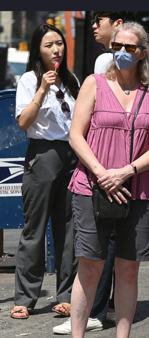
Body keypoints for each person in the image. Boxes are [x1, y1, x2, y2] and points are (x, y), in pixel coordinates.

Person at [65, 21, 149, 338]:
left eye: (129, 47)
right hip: (91, 186)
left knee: (128, 269)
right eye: (116, 46)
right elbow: (75, 135)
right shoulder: (94, 84)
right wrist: (103, 173)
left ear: (142, 53)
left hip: (137, 189)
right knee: (90, 265)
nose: (121, 52)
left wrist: (125, 171)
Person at [53, 10, 138, 336]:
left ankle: (95, 310)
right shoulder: (97, 73)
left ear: (118, 25)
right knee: (97, 251)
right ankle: (94, 309)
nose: (93, 26)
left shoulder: (115, 69)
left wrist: (118, 170)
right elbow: (80, 130)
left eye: (98, 21)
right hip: (99, 173)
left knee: (107, 251)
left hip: (114, 174)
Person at [10, 24, 80, 320]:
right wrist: (42, 89)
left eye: (60, 44)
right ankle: (26, 297)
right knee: (35, 229)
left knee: (69, 231)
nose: (57, 49)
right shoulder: (28, 79)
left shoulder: (73, 80)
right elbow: (24, 122)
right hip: (42, 155)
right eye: (50, 45)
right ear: (38, 49)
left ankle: (66, 296)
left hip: (72, 156)